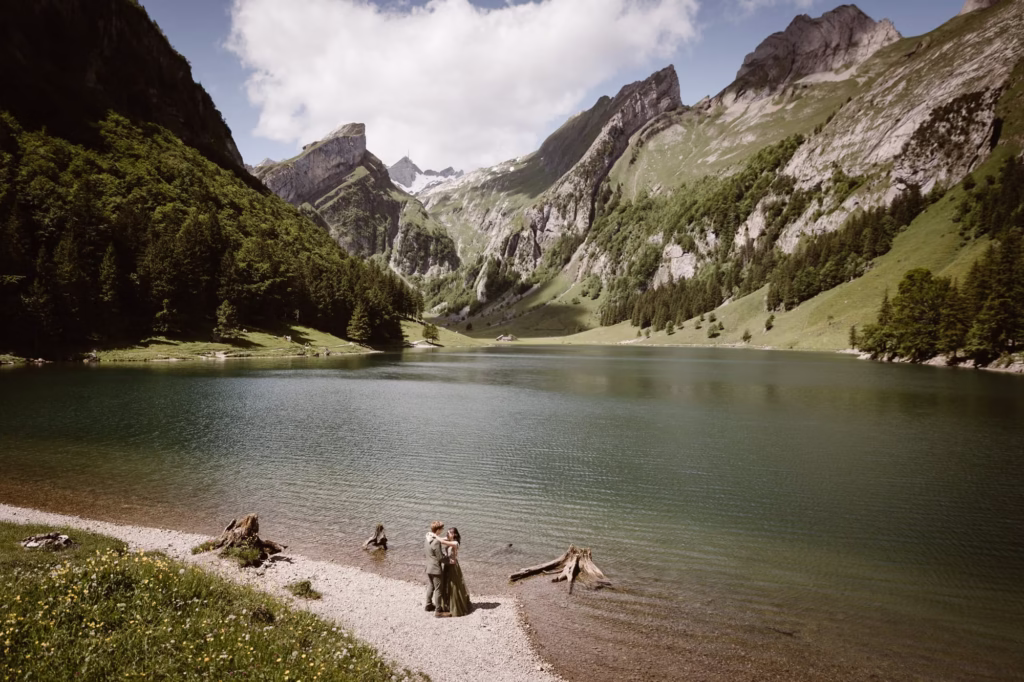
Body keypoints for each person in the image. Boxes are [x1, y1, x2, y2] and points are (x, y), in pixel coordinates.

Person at [436, 527, 472, 617]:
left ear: (454, 534)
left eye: (449, 533)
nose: (447, 534)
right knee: (447, 584)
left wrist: (433, 535)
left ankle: (455, 606)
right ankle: (448, 604)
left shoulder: (455, 543)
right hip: (448, 565)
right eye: (447, 533)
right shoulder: (449, 539)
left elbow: (443, 541)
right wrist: (434, 535)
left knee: (454, 586)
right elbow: (440, 539)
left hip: (453, 567)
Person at [424, 521, 449, 616]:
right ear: (438, 530)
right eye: (442, 528)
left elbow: (435, 540)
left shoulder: (427, 537)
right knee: (438, 588)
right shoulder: (436, 542)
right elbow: (440, 558)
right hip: (435, 569)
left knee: (431, 586)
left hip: (428, 567)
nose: (442, 530)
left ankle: (428, 605)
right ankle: (438, 611)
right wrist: (450, 560)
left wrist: (446, 539)